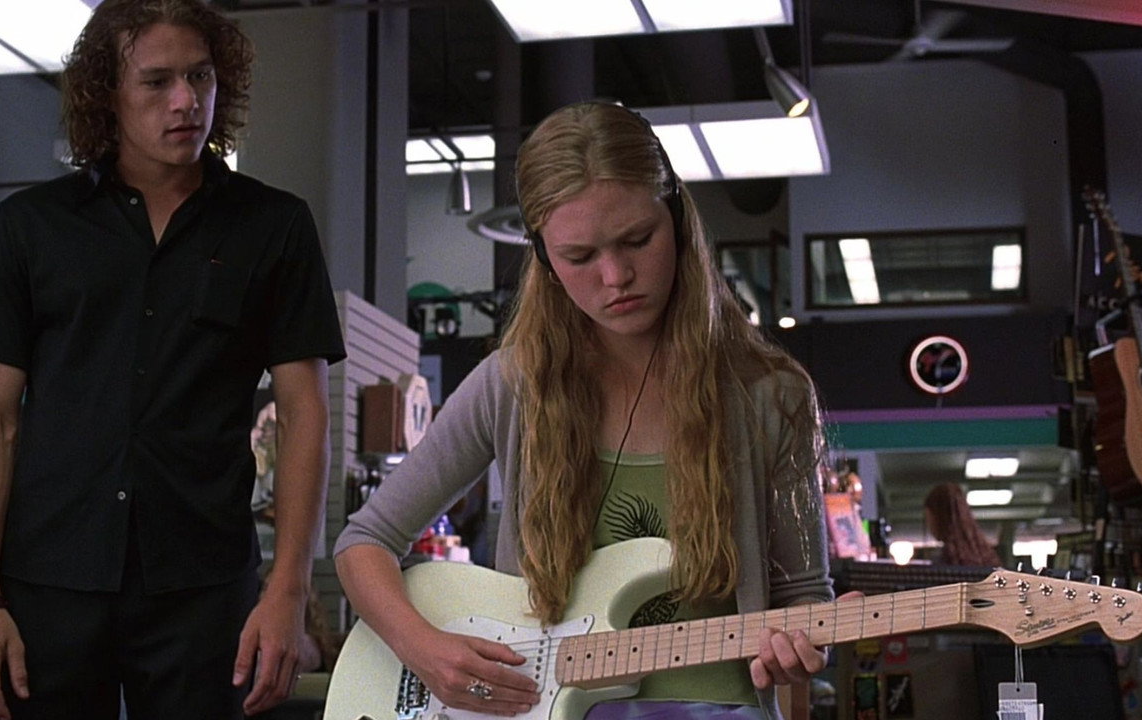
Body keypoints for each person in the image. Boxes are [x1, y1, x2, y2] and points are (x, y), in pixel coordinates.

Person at [334, 101, 843, 719]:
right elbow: (365, 541)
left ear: (678, 220)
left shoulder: (771, 394)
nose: (616, 276)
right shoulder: (511, 384)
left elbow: (803, 594)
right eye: (579, 257)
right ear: (546, 261)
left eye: (638, 240)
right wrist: (423, 649)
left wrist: (801, 643)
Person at [0, 1, 346, 718]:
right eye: (157, 82)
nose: (186, 100)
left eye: (200, 76)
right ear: (108, 93)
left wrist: (289, 590)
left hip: (203, 586)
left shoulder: (274, 225)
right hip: (48, 578)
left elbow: (303, 415)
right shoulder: (31, 227)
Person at [923, 482, 1001, 567]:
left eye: (929, 518)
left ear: (940, 518)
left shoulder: (944, 560)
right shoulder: (987, 554)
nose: (929, 526)